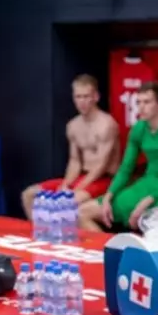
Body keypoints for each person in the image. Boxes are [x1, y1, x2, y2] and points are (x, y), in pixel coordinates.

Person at [79, 81, 158, 231]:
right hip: (145, 184)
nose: (141, 107)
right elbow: (126, 169)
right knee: (81, 212)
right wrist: (109, 195)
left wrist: (148, 201)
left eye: (147, 102)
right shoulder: (138, 128)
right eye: (138, 102)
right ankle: (109, 245)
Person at [20, 74, 119, 218]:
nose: (82, 101)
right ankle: (39, 231)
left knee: (67, 202)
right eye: (78, 97)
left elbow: (101, 165)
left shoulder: (107, 124)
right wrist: (66, 184)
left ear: (96, 97)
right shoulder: (73, 126)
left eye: (86, 96)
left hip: (104, 179)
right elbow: (75, 161)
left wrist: (75, 189)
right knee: (28, 194)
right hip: (82, 176)